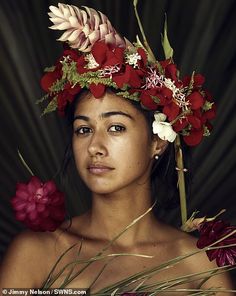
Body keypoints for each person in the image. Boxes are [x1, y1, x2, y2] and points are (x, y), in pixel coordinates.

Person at [0, 2, 235, 294]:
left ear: (158, 140)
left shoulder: (198, 264)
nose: (95, 147)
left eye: (116, 128)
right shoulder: (36, 255)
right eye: (83, 130)